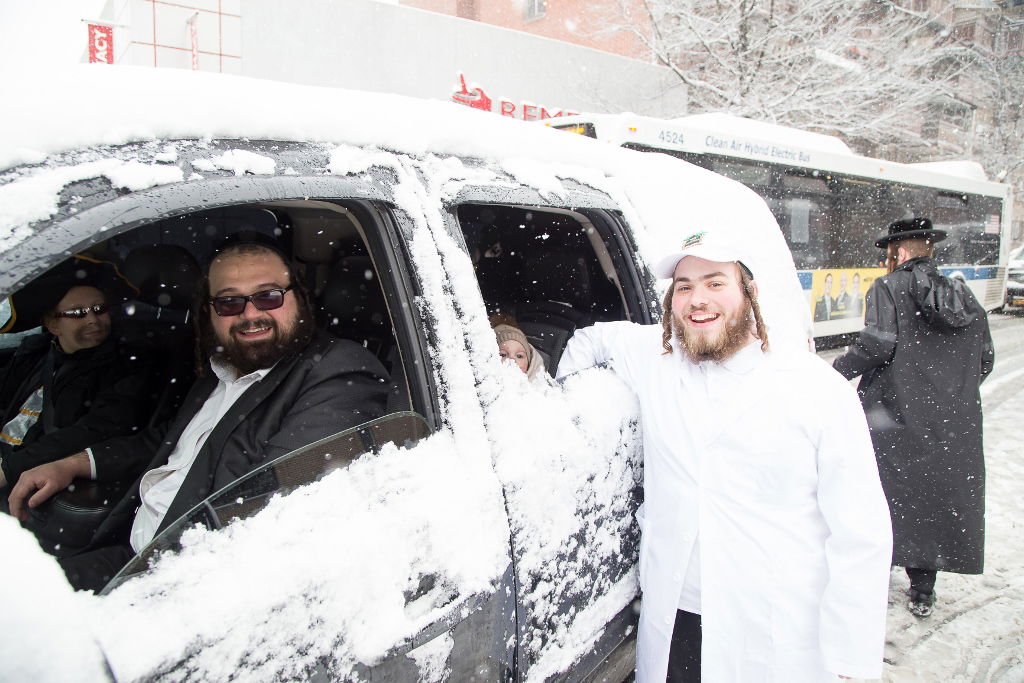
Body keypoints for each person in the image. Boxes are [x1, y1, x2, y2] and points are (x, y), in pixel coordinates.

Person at [556, 230, 892, 682]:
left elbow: (861, 537)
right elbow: (589, 340)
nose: (698, 299)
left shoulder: (815, 390)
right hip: (676, 624)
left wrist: (850, 665)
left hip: (772, 638)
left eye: (716, 283)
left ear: (749, 293)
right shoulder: (655, 361)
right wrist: (569, 419)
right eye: (684, 286)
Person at [8, 241, 390, 590]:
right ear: (210, 311)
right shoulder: (223, 365)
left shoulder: (340, 371)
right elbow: (169, 442)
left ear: (299, 299)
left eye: (268, 296)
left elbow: (275, 510)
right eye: (229, 302)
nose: (250, 314)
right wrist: (74, 464)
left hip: (184, 580)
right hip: (133, 550)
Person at [833, 217, 994, 618]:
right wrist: (947, 390)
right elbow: (985, 358)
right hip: (950, 419)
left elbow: (876, 345)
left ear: (899, 252)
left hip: (893, 412)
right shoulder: (964, 295)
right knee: (933, 498)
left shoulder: (888, 288)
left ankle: (875, 571)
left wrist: (833, 371)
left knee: (883, 494)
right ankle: (923, 589)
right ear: (929, 250)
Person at [0, 273, 156, 498]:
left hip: (27, 471)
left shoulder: (127, 366)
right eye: (77, 313)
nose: (92, 319)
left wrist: (9, 468)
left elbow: (94, 430)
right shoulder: (34, 354)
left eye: (99, 309)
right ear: (53, 324)